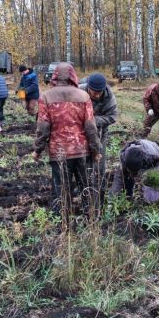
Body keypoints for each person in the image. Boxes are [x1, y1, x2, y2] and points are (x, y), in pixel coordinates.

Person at [33, 62, 101, 220]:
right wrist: (96, 150)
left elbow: (43, 127)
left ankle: (62, 223)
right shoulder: (83, 96)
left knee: (61, 189)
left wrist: (37, 150)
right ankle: (91, 220)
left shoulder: (46, 97)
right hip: (82, 151)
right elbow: (91, 127)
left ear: (55, 76)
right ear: (73, 76)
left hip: (59, 153)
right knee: (86, 187)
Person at [79, 73, 118, 207]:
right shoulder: (80, 90)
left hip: (100, 133)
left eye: (98, 93)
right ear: (88, 87)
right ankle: (82, 189)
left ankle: (99, 193)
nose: (95, 95)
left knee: (99, 164)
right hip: (80, 133)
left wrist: (94, 121)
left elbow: (112, 117)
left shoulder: (109, 98)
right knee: (82, 163)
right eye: (92, 92)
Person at [109, 139, 159, 206]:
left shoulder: (151, 153)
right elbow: (118, 177)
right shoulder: (124, 158)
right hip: (137, 163)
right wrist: (112, 199)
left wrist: (155, 172)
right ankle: (128, 199)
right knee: (127, 176)